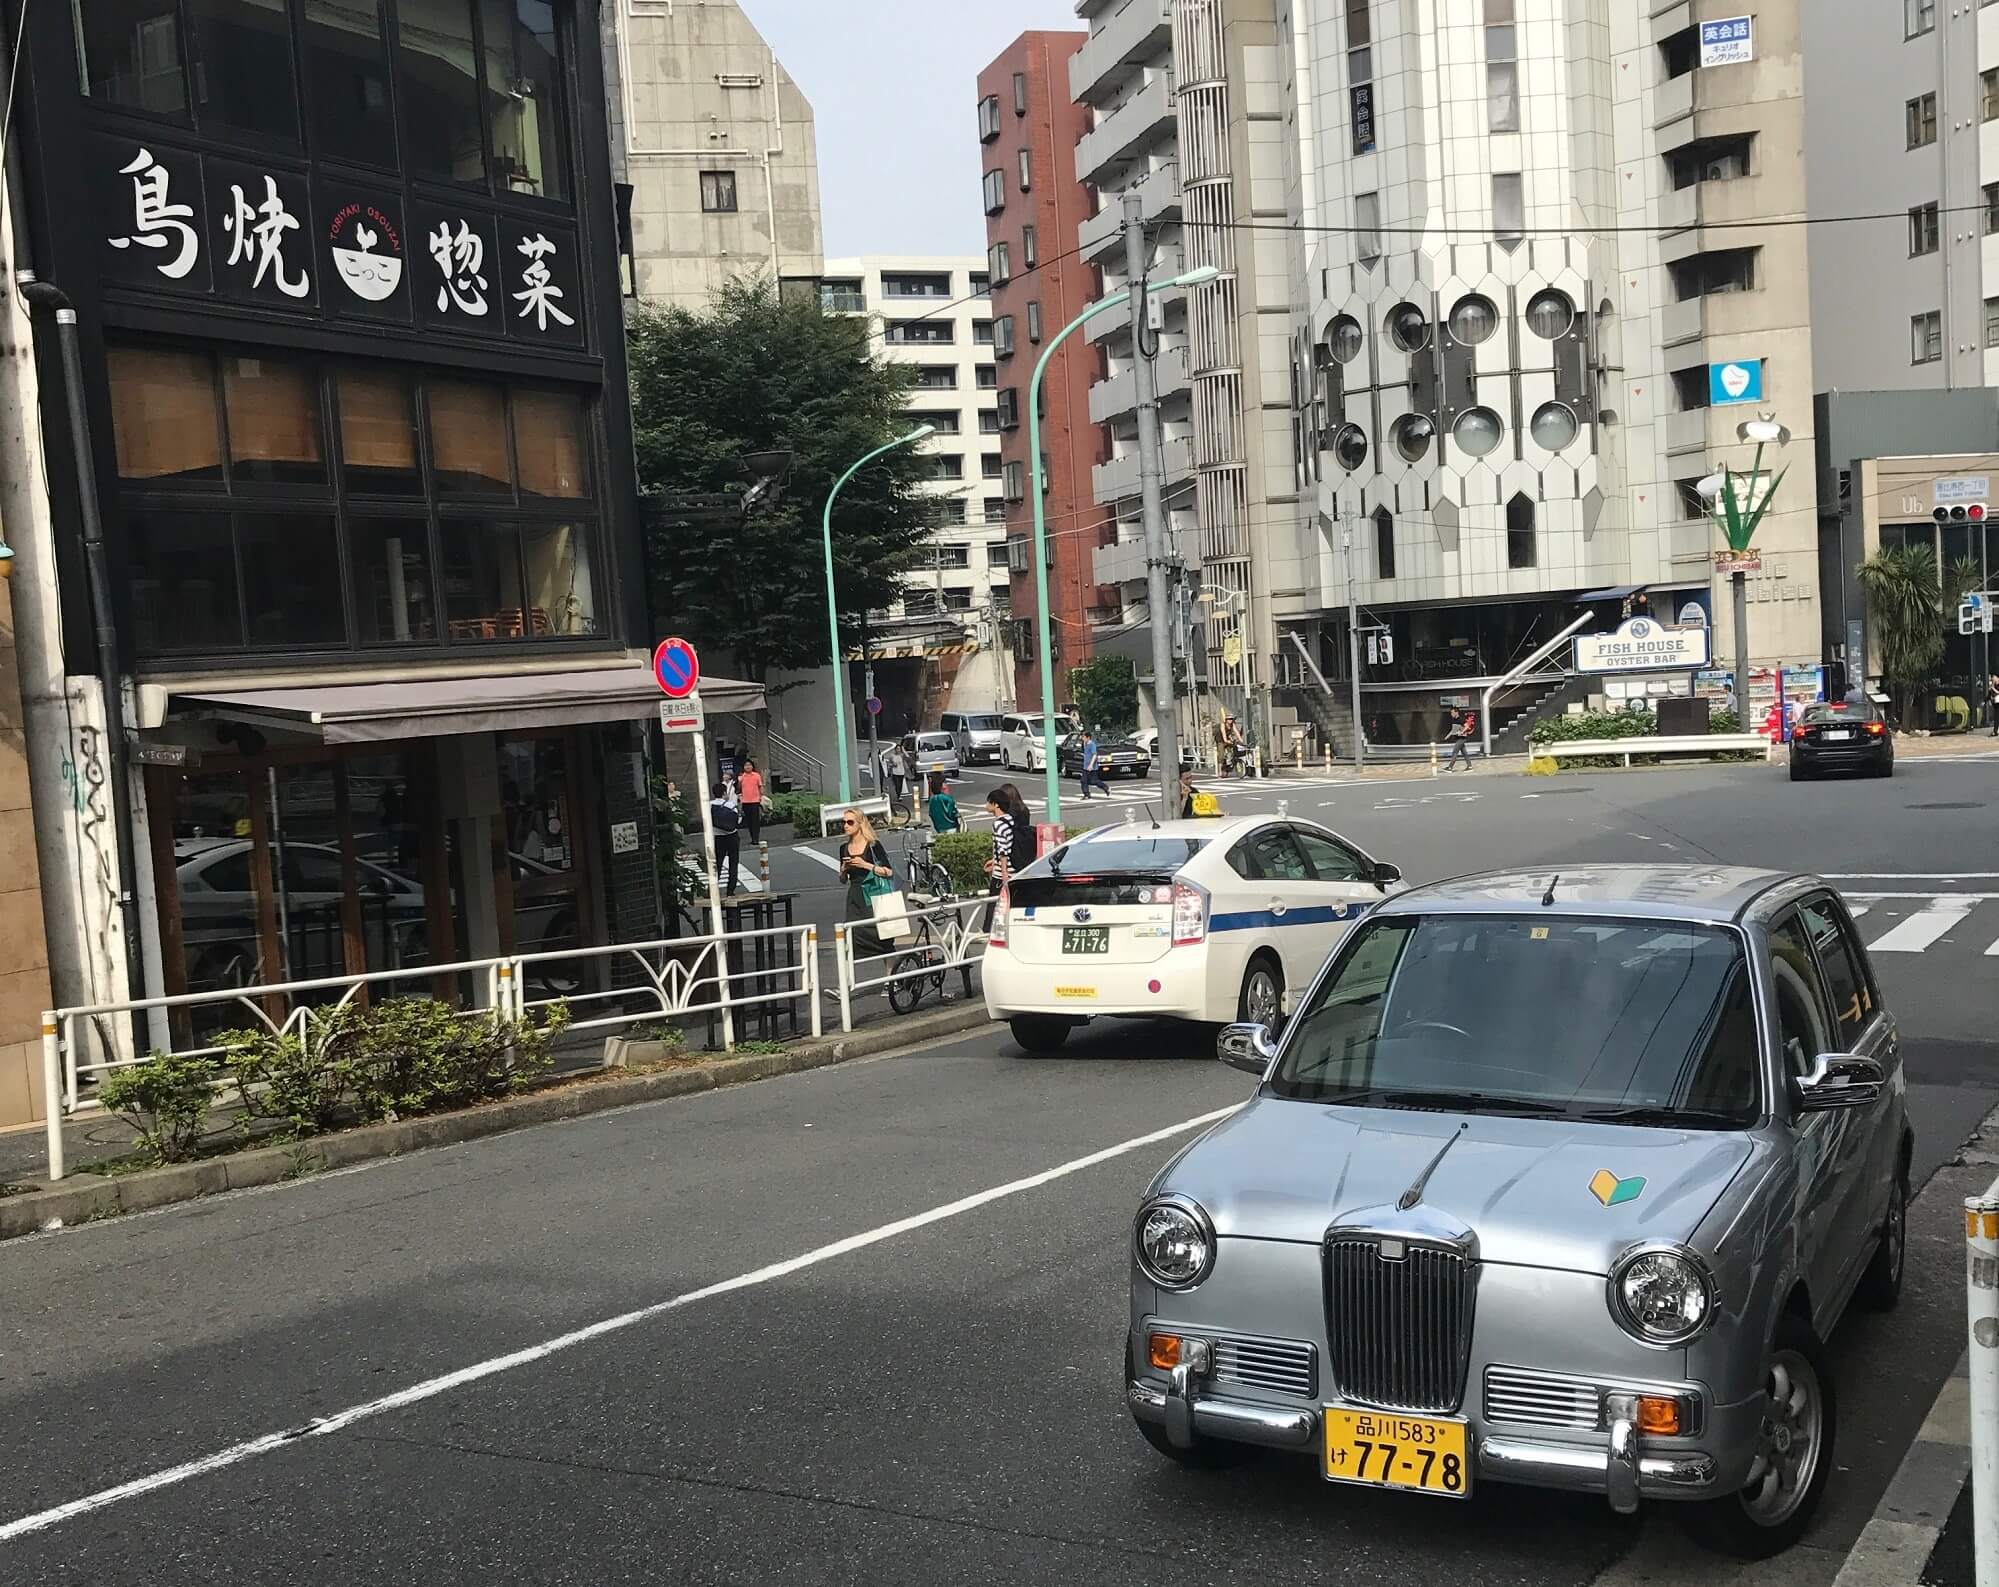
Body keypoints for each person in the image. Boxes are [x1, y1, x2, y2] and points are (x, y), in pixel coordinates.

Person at [836, 807, 895, 956]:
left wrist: (865, 865)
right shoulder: (843, 848)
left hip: (874, 893)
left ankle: (892, 970)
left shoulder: (873, 845)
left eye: (850, 822)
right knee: (853, 935)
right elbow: (843, 880)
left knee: (882, 937)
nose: (846, 826)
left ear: (860, 823)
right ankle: (851, 970)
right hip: (855, 897)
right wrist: (843, 869)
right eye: (843, 822)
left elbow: (889, 872)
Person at [708, 780, 742, 896]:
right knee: (733, 863)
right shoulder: (731, 805)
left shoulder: (709, 806)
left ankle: (712, 888)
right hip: (732, 836)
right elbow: (738, 821)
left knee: (717, 863)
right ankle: (730, 890)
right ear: (724, 793)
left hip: (718, 837)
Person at [737, 757, 764, 844]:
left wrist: (761, 796)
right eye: (746, 765)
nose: (748, 767)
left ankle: (756, 838)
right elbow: (738, 789)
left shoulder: (756, 775)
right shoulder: (742, 776)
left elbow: (760, 786)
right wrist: (739, 781)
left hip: (755, 801)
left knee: (755, 821)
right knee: (749, 821)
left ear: (752, 766)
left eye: (749, 765)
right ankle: (752, 837)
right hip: (745, 801)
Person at [1078, 725, 1104, 799]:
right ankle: (1086, 794)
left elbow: (1094, 755)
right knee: (1083, 780)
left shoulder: (1092, 745)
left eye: (1083, 737)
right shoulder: (1084, 743)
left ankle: (1106, 788)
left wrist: (1091, 765)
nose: (1082, 738)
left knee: (1093, 781)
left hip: (1092, 766)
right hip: (1085, 766)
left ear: (1088, 737)